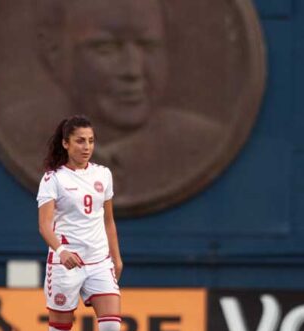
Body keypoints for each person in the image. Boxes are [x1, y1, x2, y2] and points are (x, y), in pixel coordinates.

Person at [35, 0, 222, 207]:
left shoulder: (198, 144)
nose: (132, 70)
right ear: (54, 53)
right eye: (106, 47)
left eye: (149, 46)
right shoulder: (30, 140)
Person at [37, 115, 123, 331]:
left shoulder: (103, 174)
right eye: (80, 141)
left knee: (112, 328)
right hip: (66, 265)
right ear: (65, 143)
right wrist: (61, 251)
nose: (86, 147)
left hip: (99, 262)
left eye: (90, 141)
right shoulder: (53, 179)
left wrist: (117, 256)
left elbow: (108, 220)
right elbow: (45, 225)